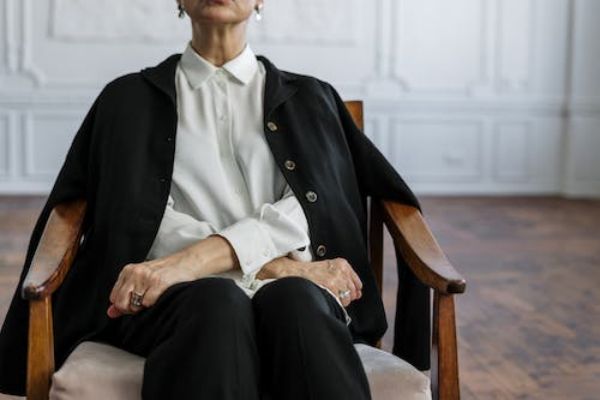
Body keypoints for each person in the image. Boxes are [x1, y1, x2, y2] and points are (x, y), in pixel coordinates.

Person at [0, 0, 430, 399]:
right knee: (216, 301)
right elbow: (134, 216)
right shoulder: (126, 100)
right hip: (172, 302)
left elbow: (315, 208)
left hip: (299, 294)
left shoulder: (312, 99)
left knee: (295, 299)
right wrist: (274, 264)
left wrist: (202, 259)